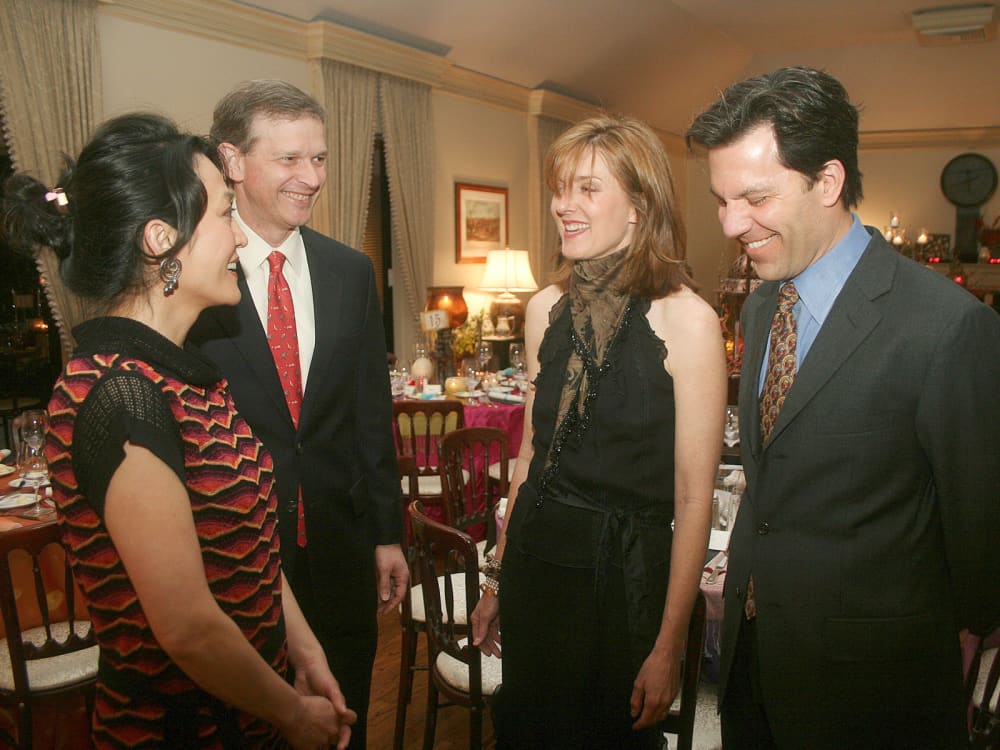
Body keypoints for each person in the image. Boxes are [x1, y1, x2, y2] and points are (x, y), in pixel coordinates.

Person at [4, 112, 356, 747]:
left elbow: (248, 544)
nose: (240, 237)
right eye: (224, 214)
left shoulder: (186, 376)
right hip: (181, 729)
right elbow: (188, 627)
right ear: (161, 240)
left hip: (249, 707)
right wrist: (294, 714)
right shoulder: (120, 397)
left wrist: (303, 651)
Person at [686, 66, 1000, 749]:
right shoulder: (763, 306)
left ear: (828, 182)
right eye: (722, 201)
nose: (732, 223)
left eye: (755, 198)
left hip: (871, 692)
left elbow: (980, 538)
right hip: (749, 666)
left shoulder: (947, 327)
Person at [471, 113, 727, 749]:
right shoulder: (543, 308)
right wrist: (498, 580)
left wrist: (670, 643)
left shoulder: (689, 321)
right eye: (561, 190)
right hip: (538, 566)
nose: (564, 205)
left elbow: (693, 496)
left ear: (639, 206)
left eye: (587, 189)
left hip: (625, 582)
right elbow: (530, 458)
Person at [188, 80, 407, 748]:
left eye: (319, 158)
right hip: (237, 560)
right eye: (289, 158)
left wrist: (387, 534)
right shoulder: (194, 279)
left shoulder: (351, 271)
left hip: (342, 548)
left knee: (346, 716)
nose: (311, 177)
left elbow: (370, 415)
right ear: (232, 161)